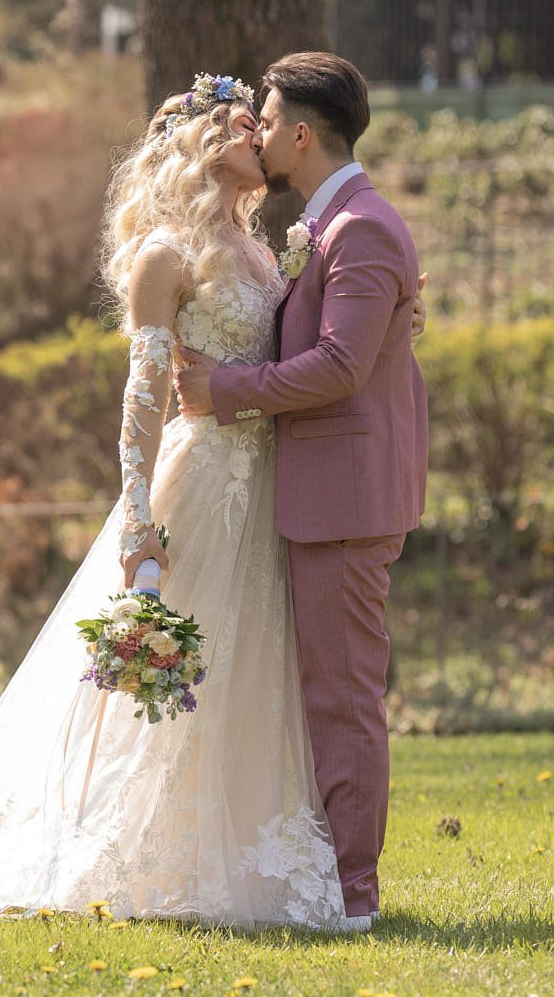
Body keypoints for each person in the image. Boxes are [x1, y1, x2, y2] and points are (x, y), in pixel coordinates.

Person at [0, 74, 371, 929]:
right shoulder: (166, 255)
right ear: (195, 147)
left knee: (254, 670)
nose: (256, 139)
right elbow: (141, 401)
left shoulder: (269, 251)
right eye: (240, 127)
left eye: (257, 124)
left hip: (271, 486)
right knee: (179, 671)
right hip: (201, 486)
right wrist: (136, 517)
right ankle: (134, 844)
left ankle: (249, 842)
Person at [175, 51, 427, 933]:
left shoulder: (360, 228)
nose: (257, 129)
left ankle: (354, 892)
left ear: (301, 133)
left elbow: (341, 366)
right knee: (323, 687)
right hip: (320, 491)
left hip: (347, 499)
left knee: (343, 694)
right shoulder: (336, 227)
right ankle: (327, 871)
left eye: (268, 116)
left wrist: (224, 392)